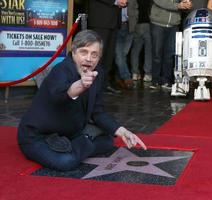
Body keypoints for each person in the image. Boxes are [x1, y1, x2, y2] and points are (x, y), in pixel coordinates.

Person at [17, 30, 147, 171]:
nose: (89, 59)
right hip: (38, 135)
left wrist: (123, 131)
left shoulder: (98, 73)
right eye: (83, 52)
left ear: (99, 57)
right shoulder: (60, 70)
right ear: (74, 53)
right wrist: (80, 85)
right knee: (66, 161)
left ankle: (76, 143)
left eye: (94, 54)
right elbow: (60, 94)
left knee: (109, 141)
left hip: (69, 132)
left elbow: (97, 112)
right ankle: (80, 143)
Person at [149, 0, 192, 90]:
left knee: (169, 55)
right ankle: (155, 80)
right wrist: (179, 5)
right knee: (157, 54)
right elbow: (160, 2)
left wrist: (187, 4)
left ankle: (166, 81)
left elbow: (182, 3)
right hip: (158, 24)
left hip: (173, 25)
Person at [88, 0, 127, 94]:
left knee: (108, 56)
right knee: (97, 55)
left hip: (113, 21)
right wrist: (116, 1)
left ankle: (104, 84)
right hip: (101, 20)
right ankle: (92, 85)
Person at [129, 0, 153, 82]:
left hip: (136, 24)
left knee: (135, 50)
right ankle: (147, 74)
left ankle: (134, 73)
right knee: (148, 51)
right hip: (148, 24)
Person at [115, 7, 134, 90]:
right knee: (120, 56)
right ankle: (127, 78)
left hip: (130, 26)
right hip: (118, 26)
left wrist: (134, 21)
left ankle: (118, 78)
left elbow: (135, 7)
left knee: (123, 55)